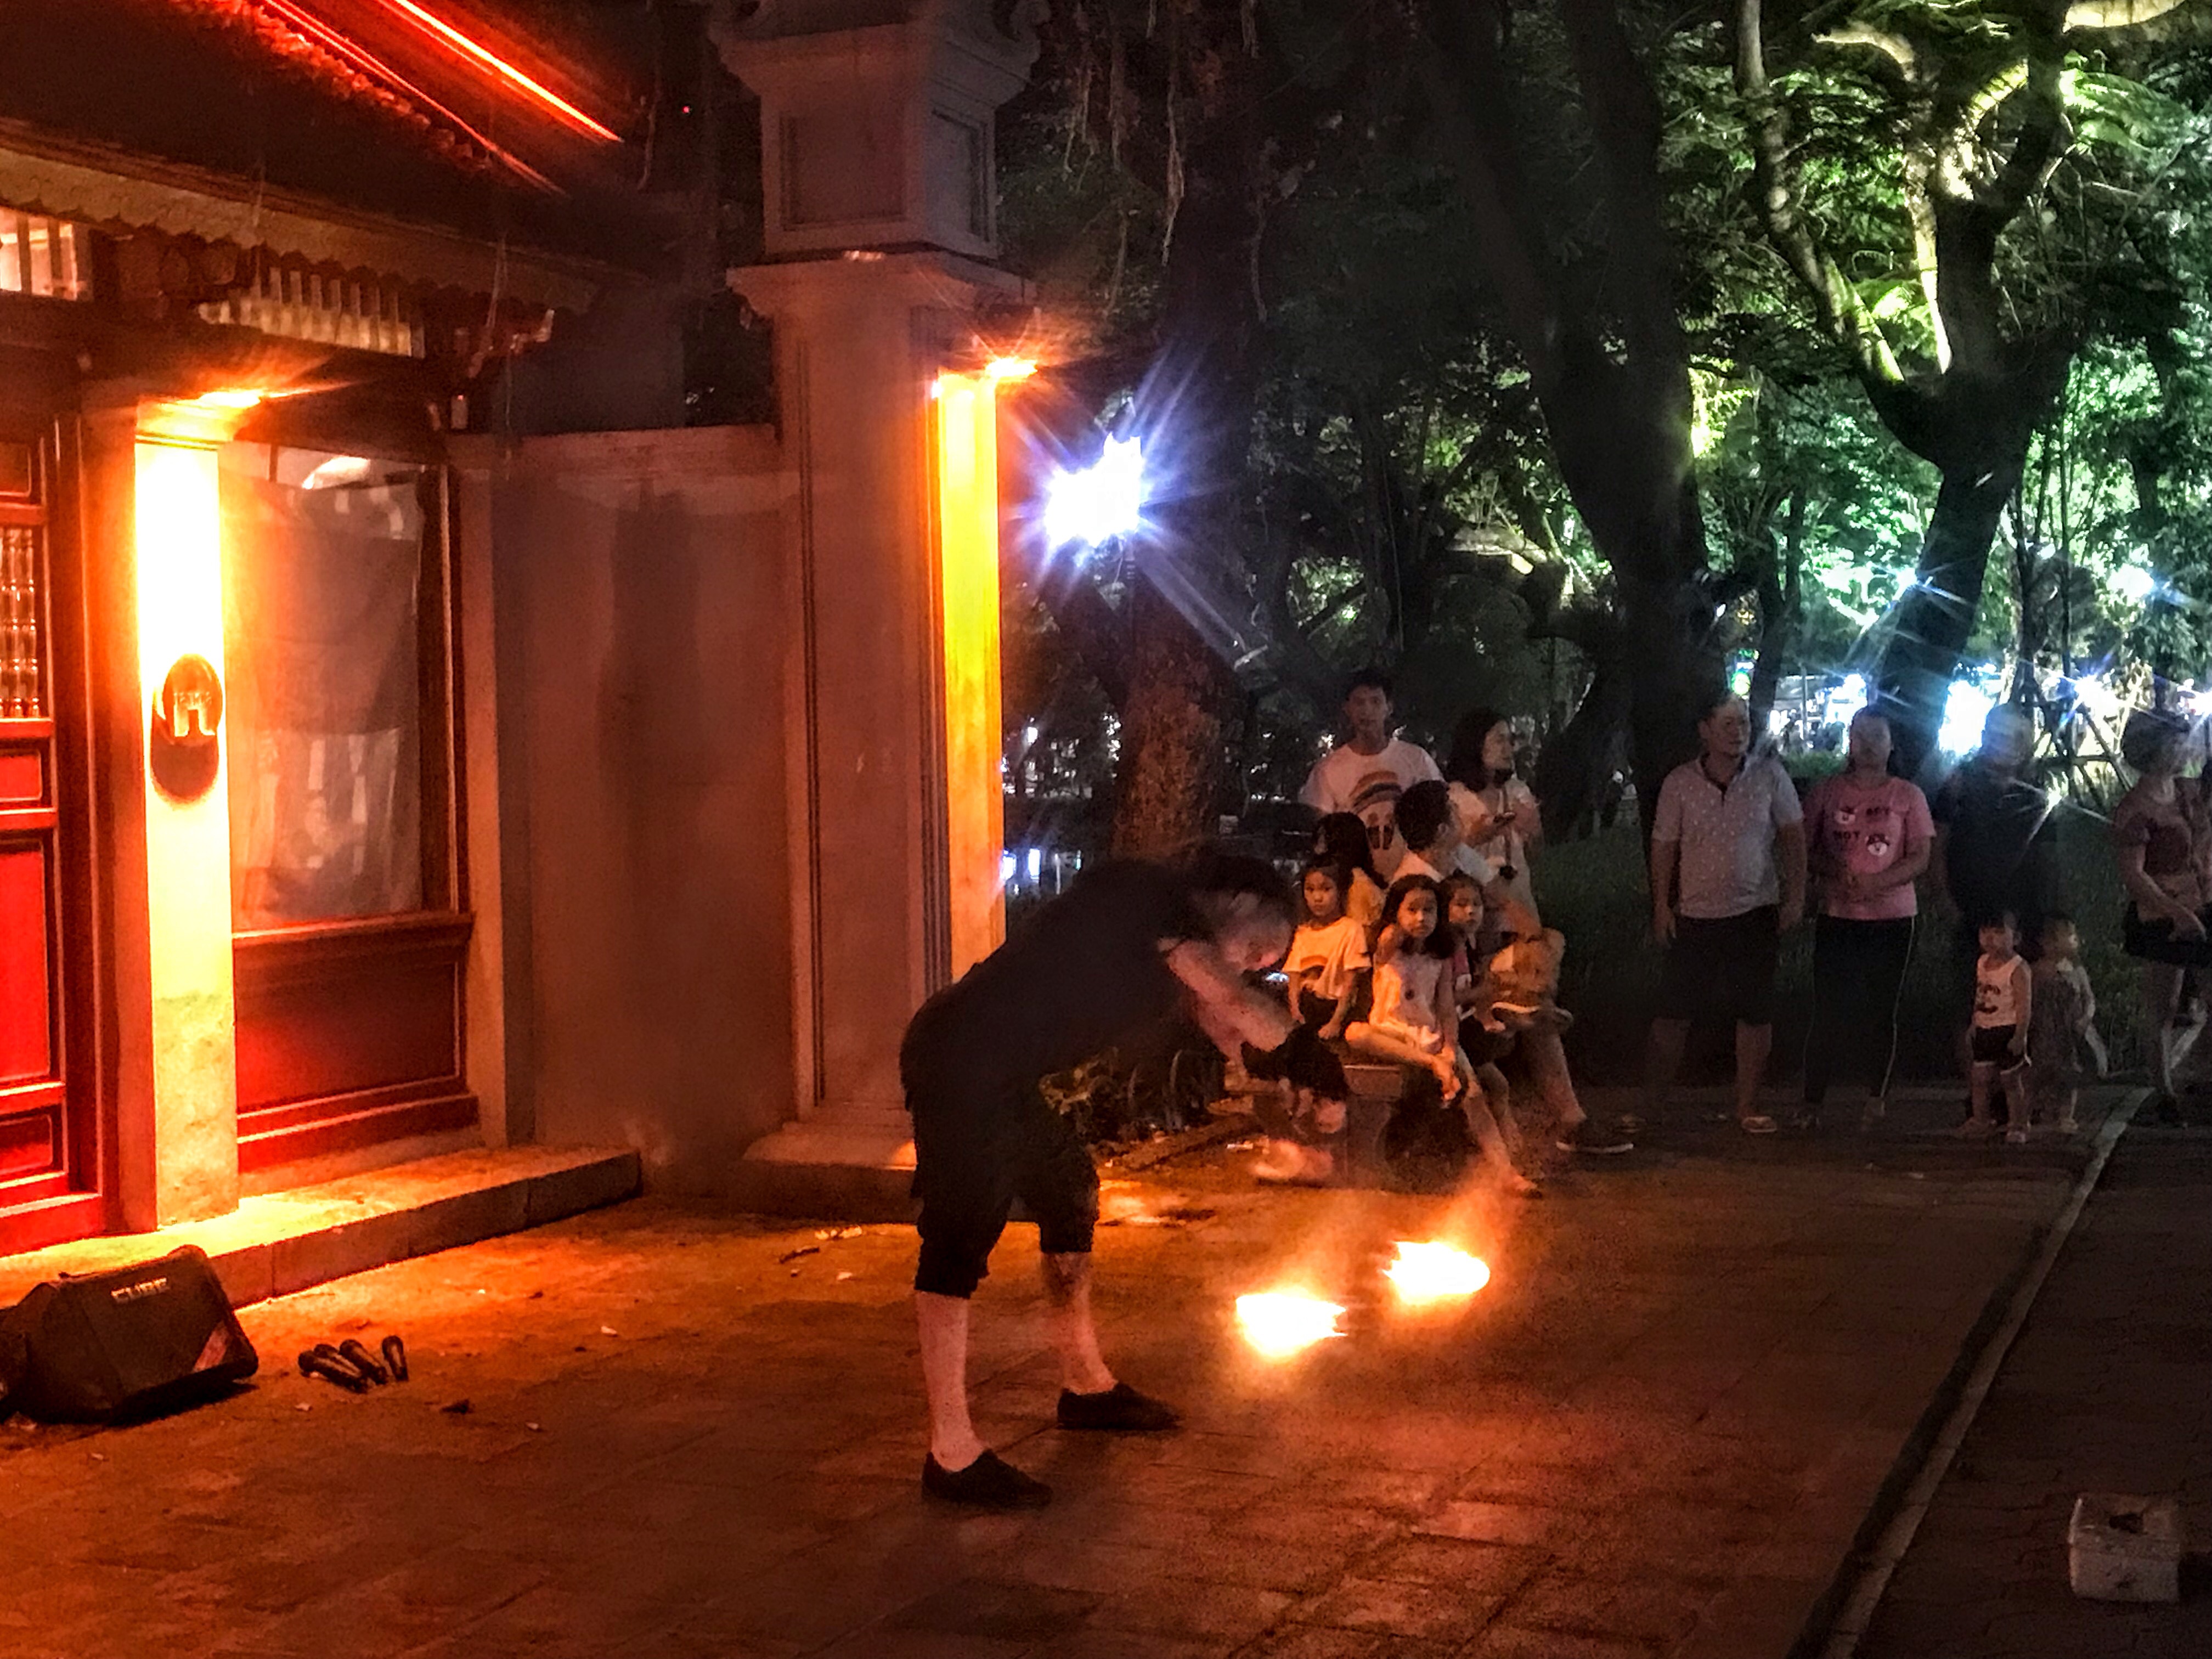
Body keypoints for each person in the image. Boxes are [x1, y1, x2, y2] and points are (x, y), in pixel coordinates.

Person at [901, 851, 1348, 1510]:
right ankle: (951, 1450)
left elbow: (1230, 1025)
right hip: (959, 1057)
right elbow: (1230, 997)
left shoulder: (1181, 953)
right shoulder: (1146, 895)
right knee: (960, 1236)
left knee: (1070, 1195)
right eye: (1260, 947)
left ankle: (1086, 1386)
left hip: (1012, 1078)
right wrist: (1315, 1063)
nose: (1258, 965)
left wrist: (1288, 1095)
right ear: (1238, 898)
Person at [1644, 692, 1808, 1134]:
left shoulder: (1770, 776)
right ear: (1705, 729)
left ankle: (1747, 1105)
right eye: (1728, 724)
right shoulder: (1680, 783)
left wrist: (1796, 896)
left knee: (1754, 1011)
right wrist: (1661, 904)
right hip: (1695, 913)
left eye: (1744, 724)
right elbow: (1664, 846)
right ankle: (1652, 1107)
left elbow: (1793, 837)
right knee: (1673, 1011)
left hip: (1754, 910)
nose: (1739, 733)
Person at [1346, 874, 1537, 1197]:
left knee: (1474, 1095)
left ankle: (1507, 1173)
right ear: (1398, 913)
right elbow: (1388, 937)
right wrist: (1395, 922)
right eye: (1413, 910)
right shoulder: (1389, 945)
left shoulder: (1442, 956)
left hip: (1428, 1032)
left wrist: (1449, 1048)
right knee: (1356, 1033)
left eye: (1430, 910)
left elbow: (1447, 1009)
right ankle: (1429, 1064)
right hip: (1390, 1031)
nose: (1421, 918)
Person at [1798, 709, 1933, 1131]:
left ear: (1892, 744)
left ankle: (1876, 1097)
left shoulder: (1908, 795)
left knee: (1881, 1009)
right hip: (1838, 913)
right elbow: (1804, 847)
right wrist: (1836, 875)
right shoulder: (1826, 792)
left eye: (1877, 736)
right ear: (1849, 742)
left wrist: (1881, 882)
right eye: (1860, 735)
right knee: (1828, 1009)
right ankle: (1812, 1100)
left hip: (1892, 916)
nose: (1869, 744)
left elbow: (1921, 856)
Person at [2111, 708, 2212, 1124]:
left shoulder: (2189, 791)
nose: (2185, 748)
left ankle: (2200, 1076)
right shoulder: (2135, 809)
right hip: (2162, 914)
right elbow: (2134, 875)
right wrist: (2175, 912)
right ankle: (2163, 1090)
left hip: (2203, 903)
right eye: (2177, 742)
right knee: (2163, 1006)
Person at [1931, 704, 2057, 963]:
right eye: (1994, 734)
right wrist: (1946, 903)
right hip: (1972, 909)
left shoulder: (2036, 793)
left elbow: (2047, 858)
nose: (1999, 744)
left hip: (2024, 912)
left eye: (2012, 737)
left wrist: (2050, 913)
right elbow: (1937, 847)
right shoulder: (1960, 784)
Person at [1301, 669, 1442, 879]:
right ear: (1347, 709)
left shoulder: (1416, 759)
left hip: (1412, 878)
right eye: (1359, 702)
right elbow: (1321, 831)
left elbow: (1439, 811)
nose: (1367, 711)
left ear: (1389, 708)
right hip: (1356, 879)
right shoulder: (1328, 770)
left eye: (1376, 702)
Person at [1391, 780, 1540, 938]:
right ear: (1442, 831)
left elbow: (1502, 895)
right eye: (1454, 810)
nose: (1460, 812)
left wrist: (1535, 935)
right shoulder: (1415, 882)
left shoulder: (1458, 852)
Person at [1444, 707, 1544, 930]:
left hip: (1519, 907)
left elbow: (1535, 855)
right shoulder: (1454, 799)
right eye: (1500, 740)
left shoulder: (1518, 791)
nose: (1509, 748)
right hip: (1472, 914)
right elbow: (1443, 858)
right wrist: (1475, 839)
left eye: (1510, 740)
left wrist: (1534, 830)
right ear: (1475, 744)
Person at [1962, 912, 2034, 1144]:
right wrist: (1974, 1022)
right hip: (1985, 1028)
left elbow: (2024, 1004)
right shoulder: (1982, 963)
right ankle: (1981, 1120)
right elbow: (1980, 994)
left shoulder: (2018, 968)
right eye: (1986, 932)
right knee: (1980, 1078)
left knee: (2011, 1082)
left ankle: (2018, 1124)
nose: (1991, 938)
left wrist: (2021, 1034)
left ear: (2016, 938)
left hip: (2008, 1029)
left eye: (1999, 932)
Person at [2029, 913, 2101, 1135]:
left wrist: (2086, 1018)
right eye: (2068, 935)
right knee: (2038, 1073)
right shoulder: (2037, 971)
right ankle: (2033, 1110)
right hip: (2044, 1030)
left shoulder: (2077, 971)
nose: (2074, 939)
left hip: (2070, 1031)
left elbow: (2089, 999)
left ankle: (2066, 1115)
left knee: (2069, 1076)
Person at [1283, 861, 1369, 1040]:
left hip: (1334, 1006)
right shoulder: (1303, 932)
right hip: (1307, 1004)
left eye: (1326, 889)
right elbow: (1294, 976)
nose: (1317, 898)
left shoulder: (1351, 929)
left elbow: (1349, 983)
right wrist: (1295, 1011)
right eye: (1310, 890)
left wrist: (1335, 1022)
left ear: (1340, 891)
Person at [1313, 811, 1386, 928]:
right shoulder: (1353, 879)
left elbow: (1359, 934)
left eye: (1323, 840)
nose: (1317, 849)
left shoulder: (1357, 885)